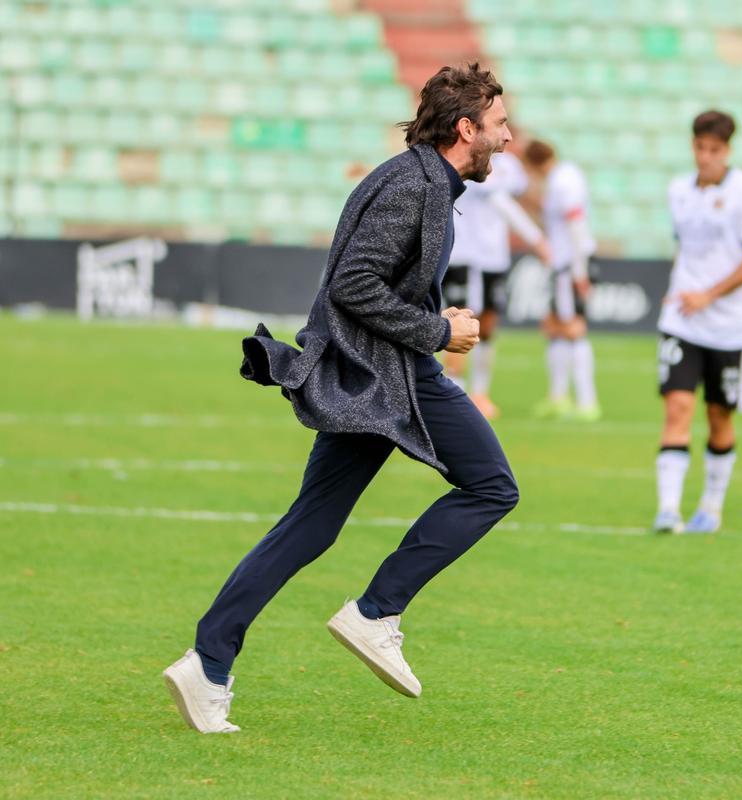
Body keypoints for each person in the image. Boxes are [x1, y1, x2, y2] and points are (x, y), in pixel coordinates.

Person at [162, 63, 520, 733]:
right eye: (500, 126)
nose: (508, 138)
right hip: (387, 375)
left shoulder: (419, 180)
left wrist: (434, 322)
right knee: (493, 486)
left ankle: (207, 663)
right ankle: (377, 611)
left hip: (371, 377)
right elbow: (354, 285)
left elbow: (374, 283)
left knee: (310, 526)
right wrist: (440, 331)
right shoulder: (414, 186)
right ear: (466, 128)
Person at [654, 110, 742, 534]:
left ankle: (711, 505)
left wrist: (708, 294)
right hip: (682, 321)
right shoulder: (678, 191)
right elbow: (686, 250)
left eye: (715, 150)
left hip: (729, 328)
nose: (706, 157)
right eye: (700, 148)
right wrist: (682, 288)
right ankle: (668, 510)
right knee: (678, 407)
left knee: (719, 416)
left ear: (728, 150)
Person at [442, 147, 551, 419]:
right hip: (462, 253)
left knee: (487, 324)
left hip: (494, 257)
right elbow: (501, 202)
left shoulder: (509, 165)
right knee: (459, 320)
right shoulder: (461, 157)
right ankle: (455, 391)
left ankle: (480, 393)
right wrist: (537, 240)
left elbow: (505, 198)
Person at [521, 139, 601, 421]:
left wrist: (579, 273)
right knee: (554, 327)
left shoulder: (563, 182)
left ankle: (586, 401)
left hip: (570, 264)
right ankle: (559, 397)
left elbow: (576, 226)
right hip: (565, 264)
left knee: (572, 328)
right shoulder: (564, 176)